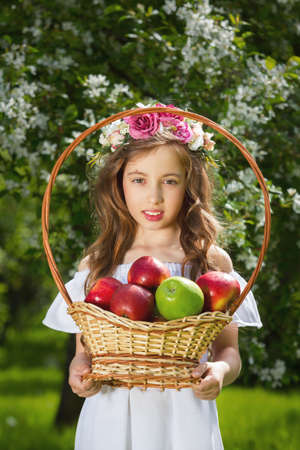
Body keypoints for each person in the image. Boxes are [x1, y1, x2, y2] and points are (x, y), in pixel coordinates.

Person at [43, 103, 262, 450]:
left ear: (189, 186)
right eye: (139, 179)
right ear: (119, 184)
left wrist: (219, 373)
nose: (154, 195)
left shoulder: (208, 262)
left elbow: (228, 352)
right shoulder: (99, 263)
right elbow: (84, 352)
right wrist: (79, 371)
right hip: (111, 416)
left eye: (170, 181)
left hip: (183, 412)